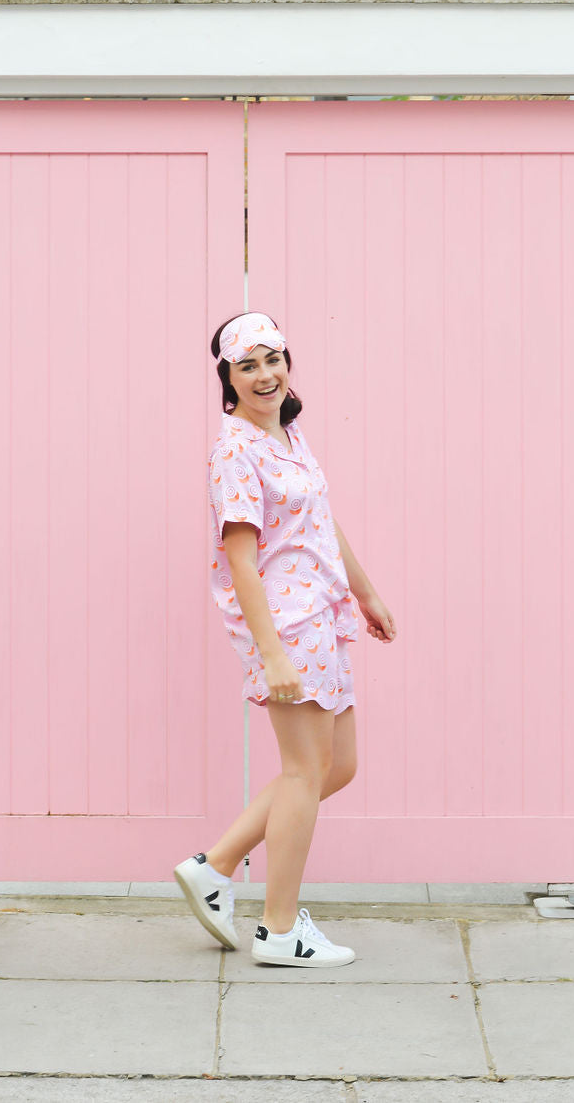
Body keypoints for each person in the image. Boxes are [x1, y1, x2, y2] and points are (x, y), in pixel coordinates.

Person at [174, 311, 397, 968]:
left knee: (337, 766)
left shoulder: (288, 433)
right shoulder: (237, 449)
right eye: (248, 365)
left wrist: (366, 592)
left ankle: (214, 865)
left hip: (323, 618)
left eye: (273, 358)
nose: (265, 374)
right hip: (287, 627)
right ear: (228, 378)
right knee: (304, 773)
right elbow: (241, 559)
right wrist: (270, 652)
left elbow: (321, 522)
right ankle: (277, 930)